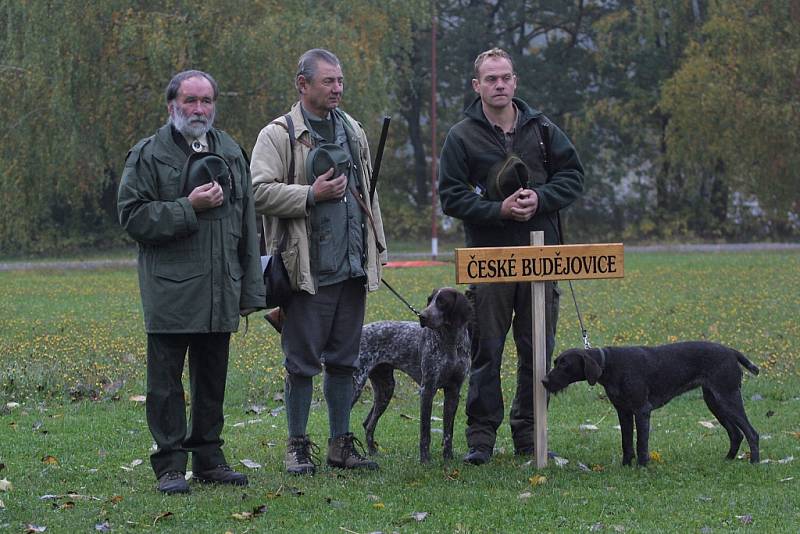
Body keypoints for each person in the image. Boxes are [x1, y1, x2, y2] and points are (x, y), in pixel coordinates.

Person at [118, 70, 265, 494]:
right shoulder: (149, 155)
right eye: (190, 100)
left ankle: (209, 460)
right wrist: (188, 206)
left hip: (221, 287)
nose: (199, 109)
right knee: (165, 384)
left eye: (206, 100)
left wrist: (250, 289)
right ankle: (169, 465)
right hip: (171, 289)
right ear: (171, 106)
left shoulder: (231, 151)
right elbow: (132, 217)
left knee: (212, 379)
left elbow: (247, 224)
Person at [438, 48, 585, 465]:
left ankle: (530, 434)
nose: (499, 85)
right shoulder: (461, 135)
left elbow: (573, 176)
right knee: (487, 348)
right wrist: (497, 210)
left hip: (542, 254)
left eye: (505, 78)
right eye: (490, 79)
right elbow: (451, 196)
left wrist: (539, 198)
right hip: (491, 257)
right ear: (477, 86)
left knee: (538, 349)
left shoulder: (542, 128)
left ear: (515, 81)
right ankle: (481, 439)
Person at [250, 48, 387, 475]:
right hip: (304, 270)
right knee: (302, 363)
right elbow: (257, 192)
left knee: (345, 361)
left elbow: (368, 193)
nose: (338, 89)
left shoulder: (354, 130)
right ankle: (297, 446)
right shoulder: (278, 134)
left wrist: (376, 247)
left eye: (340, 81)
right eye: (329, 81)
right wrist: (311, 194)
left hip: (351, 267)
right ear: (302, 84)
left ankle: (340, 445)